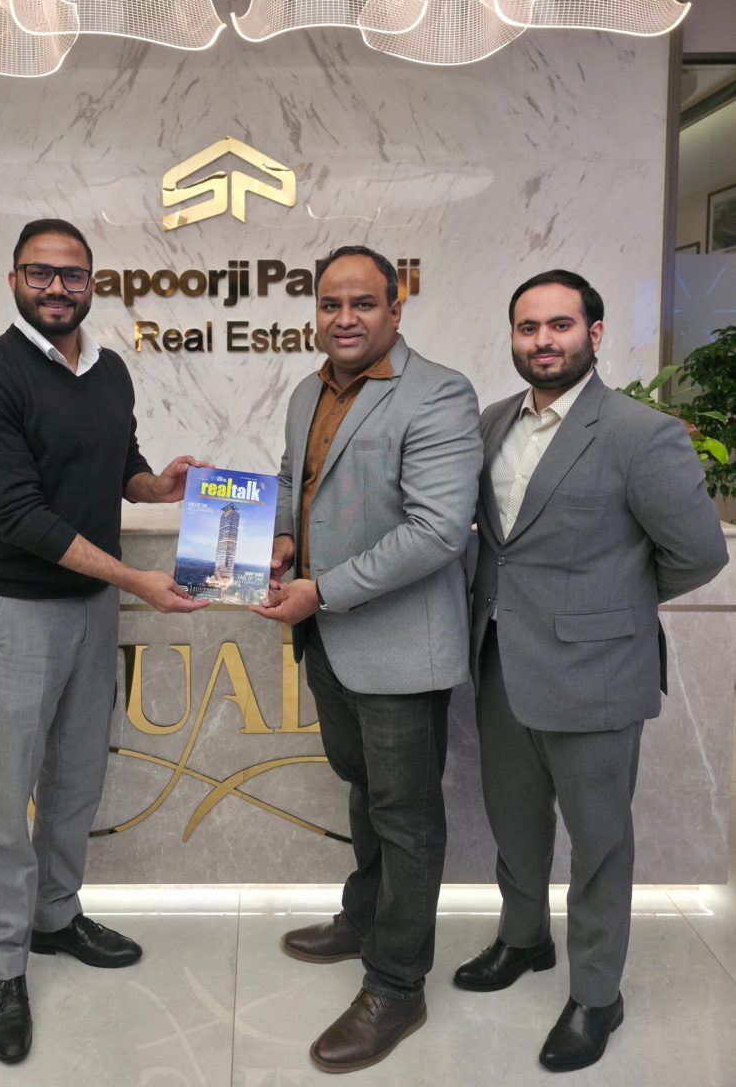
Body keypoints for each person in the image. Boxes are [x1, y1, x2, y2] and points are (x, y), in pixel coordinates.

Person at [0, 218, 209, 1065]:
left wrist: (157, 486)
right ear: (14, 280)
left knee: (76, 775)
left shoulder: (108, 370)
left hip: (93, 604)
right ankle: (3, 963)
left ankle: (56, 916)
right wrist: (135, 579)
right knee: (7, 790)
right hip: (21, 606)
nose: (57, 288)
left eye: (72, 275)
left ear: (93, 283)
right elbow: (18, 514)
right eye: (40, 273)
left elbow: (117, 464)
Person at [453, 270, 728, 1072]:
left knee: (598, 840)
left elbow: (698, 553)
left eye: (559, 325)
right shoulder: (491, 422)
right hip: (500, 659)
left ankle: (596, 994)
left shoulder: (641, 433)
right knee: (513, 820)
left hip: (596, 670)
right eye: (527, 327)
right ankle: (523, 939)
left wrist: (609, 606)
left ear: (594, 333)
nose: (542, 341)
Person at [251, 245, 482, 1073]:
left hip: (398, 646)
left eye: (362, 303)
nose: (343, 318)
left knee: (407, 819)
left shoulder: (439, 392)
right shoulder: (306, 391)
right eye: (329, 304)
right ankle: (365, 917)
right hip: (329, 642)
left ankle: (396, 984)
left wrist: (320, 589)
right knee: (364, 790)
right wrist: (283, 538)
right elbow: (295, 478)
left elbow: (436, 531)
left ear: (394, 309)